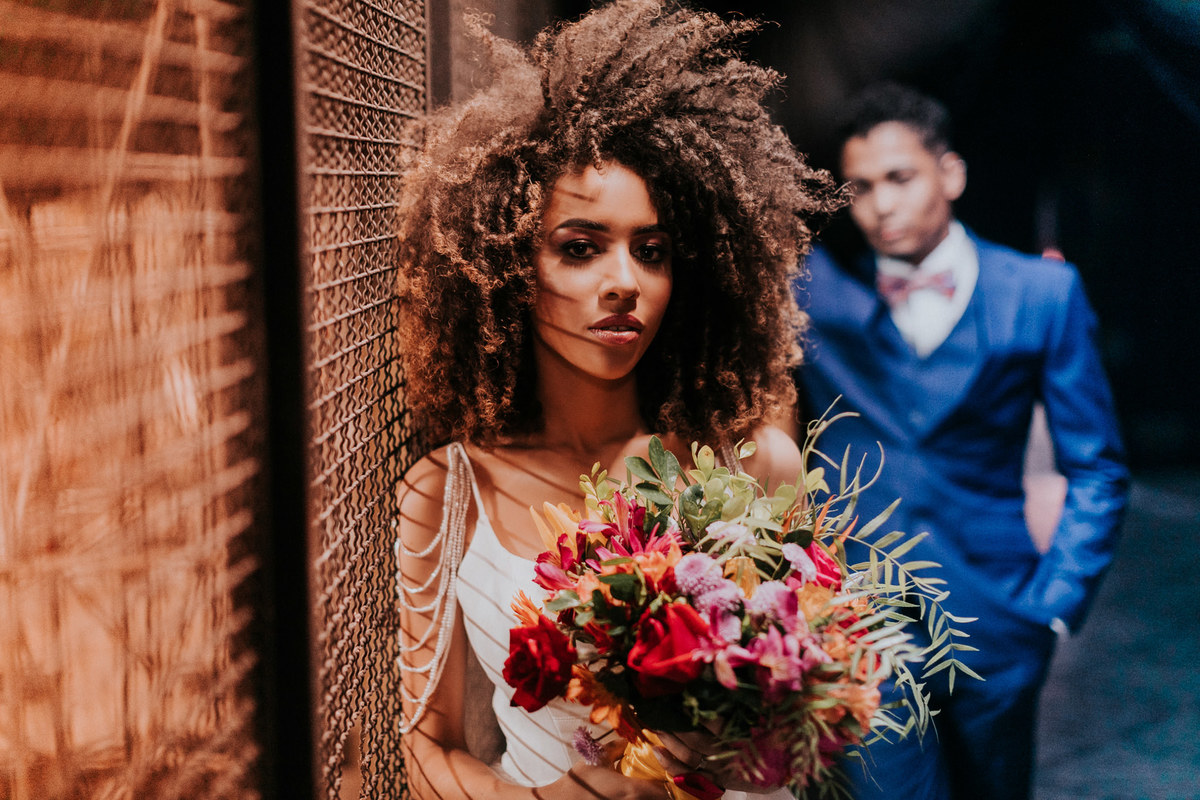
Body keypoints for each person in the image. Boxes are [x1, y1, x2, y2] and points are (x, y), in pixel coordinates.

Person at [393, 3, 840, 798]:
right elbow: (425, 747)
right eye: (580, 247)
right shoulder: (449, 492)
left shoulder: (751, 462)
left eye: (653, 250)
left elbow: (813, 722)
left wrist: (729, 748)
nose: (625, 282)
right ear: (506, 266)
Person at [793, 82, 1129, 799]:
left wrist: (1055, 606)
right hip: (860, 622)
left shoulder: (1040, 295)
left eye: (899, 178)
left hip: (1000, 618)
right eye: (859, 186)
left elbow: (1097, 467)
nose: (880, 203)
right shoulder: (814, 292)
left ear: (950, 173)